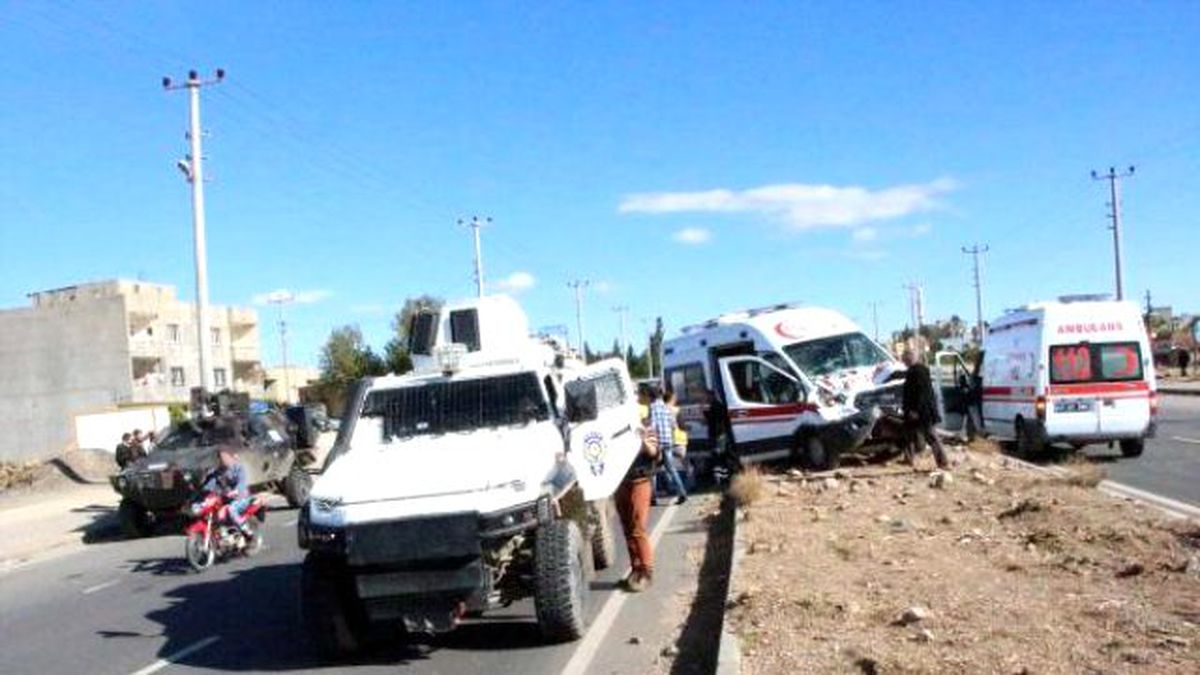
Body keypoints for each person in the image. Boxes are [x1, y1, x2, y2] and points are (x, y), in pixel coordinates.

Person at [616, 406, 660, 592]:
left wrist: (643, 442)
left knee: (637, 528)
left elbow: (654, 453)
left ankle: (646, 572)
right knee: (628, 529)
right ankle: (636, 570)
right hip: (621, 482)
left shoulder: (646, 429)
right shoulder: (617, 431)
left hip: (639, 481)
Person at [900, 349, 949, 470]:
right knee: (908, 434)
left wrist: (915, 410)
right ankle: (908, 459)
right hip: (915, 411)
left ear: (910, 358)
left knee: (931, 436)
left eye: (905, 359)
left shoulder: (918, 371)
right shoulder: (914, 371)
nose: (904, 362)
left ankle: (943, 462)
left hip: (921, 412)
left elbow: (922, 394)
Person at [203, 445, 254, 535]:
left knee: (231, 509)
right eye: (220, 457)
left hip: (241, 498)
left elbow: (242, 482)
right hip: (226, 499)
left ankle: (244, 526)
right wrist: (203, 495)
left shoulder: (239, 468)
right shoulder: (218, 472)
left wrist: (236, 491)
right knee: (212, 511)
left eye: (224, 456)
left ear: (230, 456)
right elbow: (209, 485)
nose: (223, 459)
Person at [650, 389, 687, 505]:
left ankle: (653, 497)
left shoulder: (652, 408)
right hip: (668, 443)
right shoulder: (666, 408)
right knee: (671, 469)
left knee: (653, 471)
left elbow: (653, 426)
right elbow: (673, 425)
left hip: (658, 444)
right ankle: (682, 493)